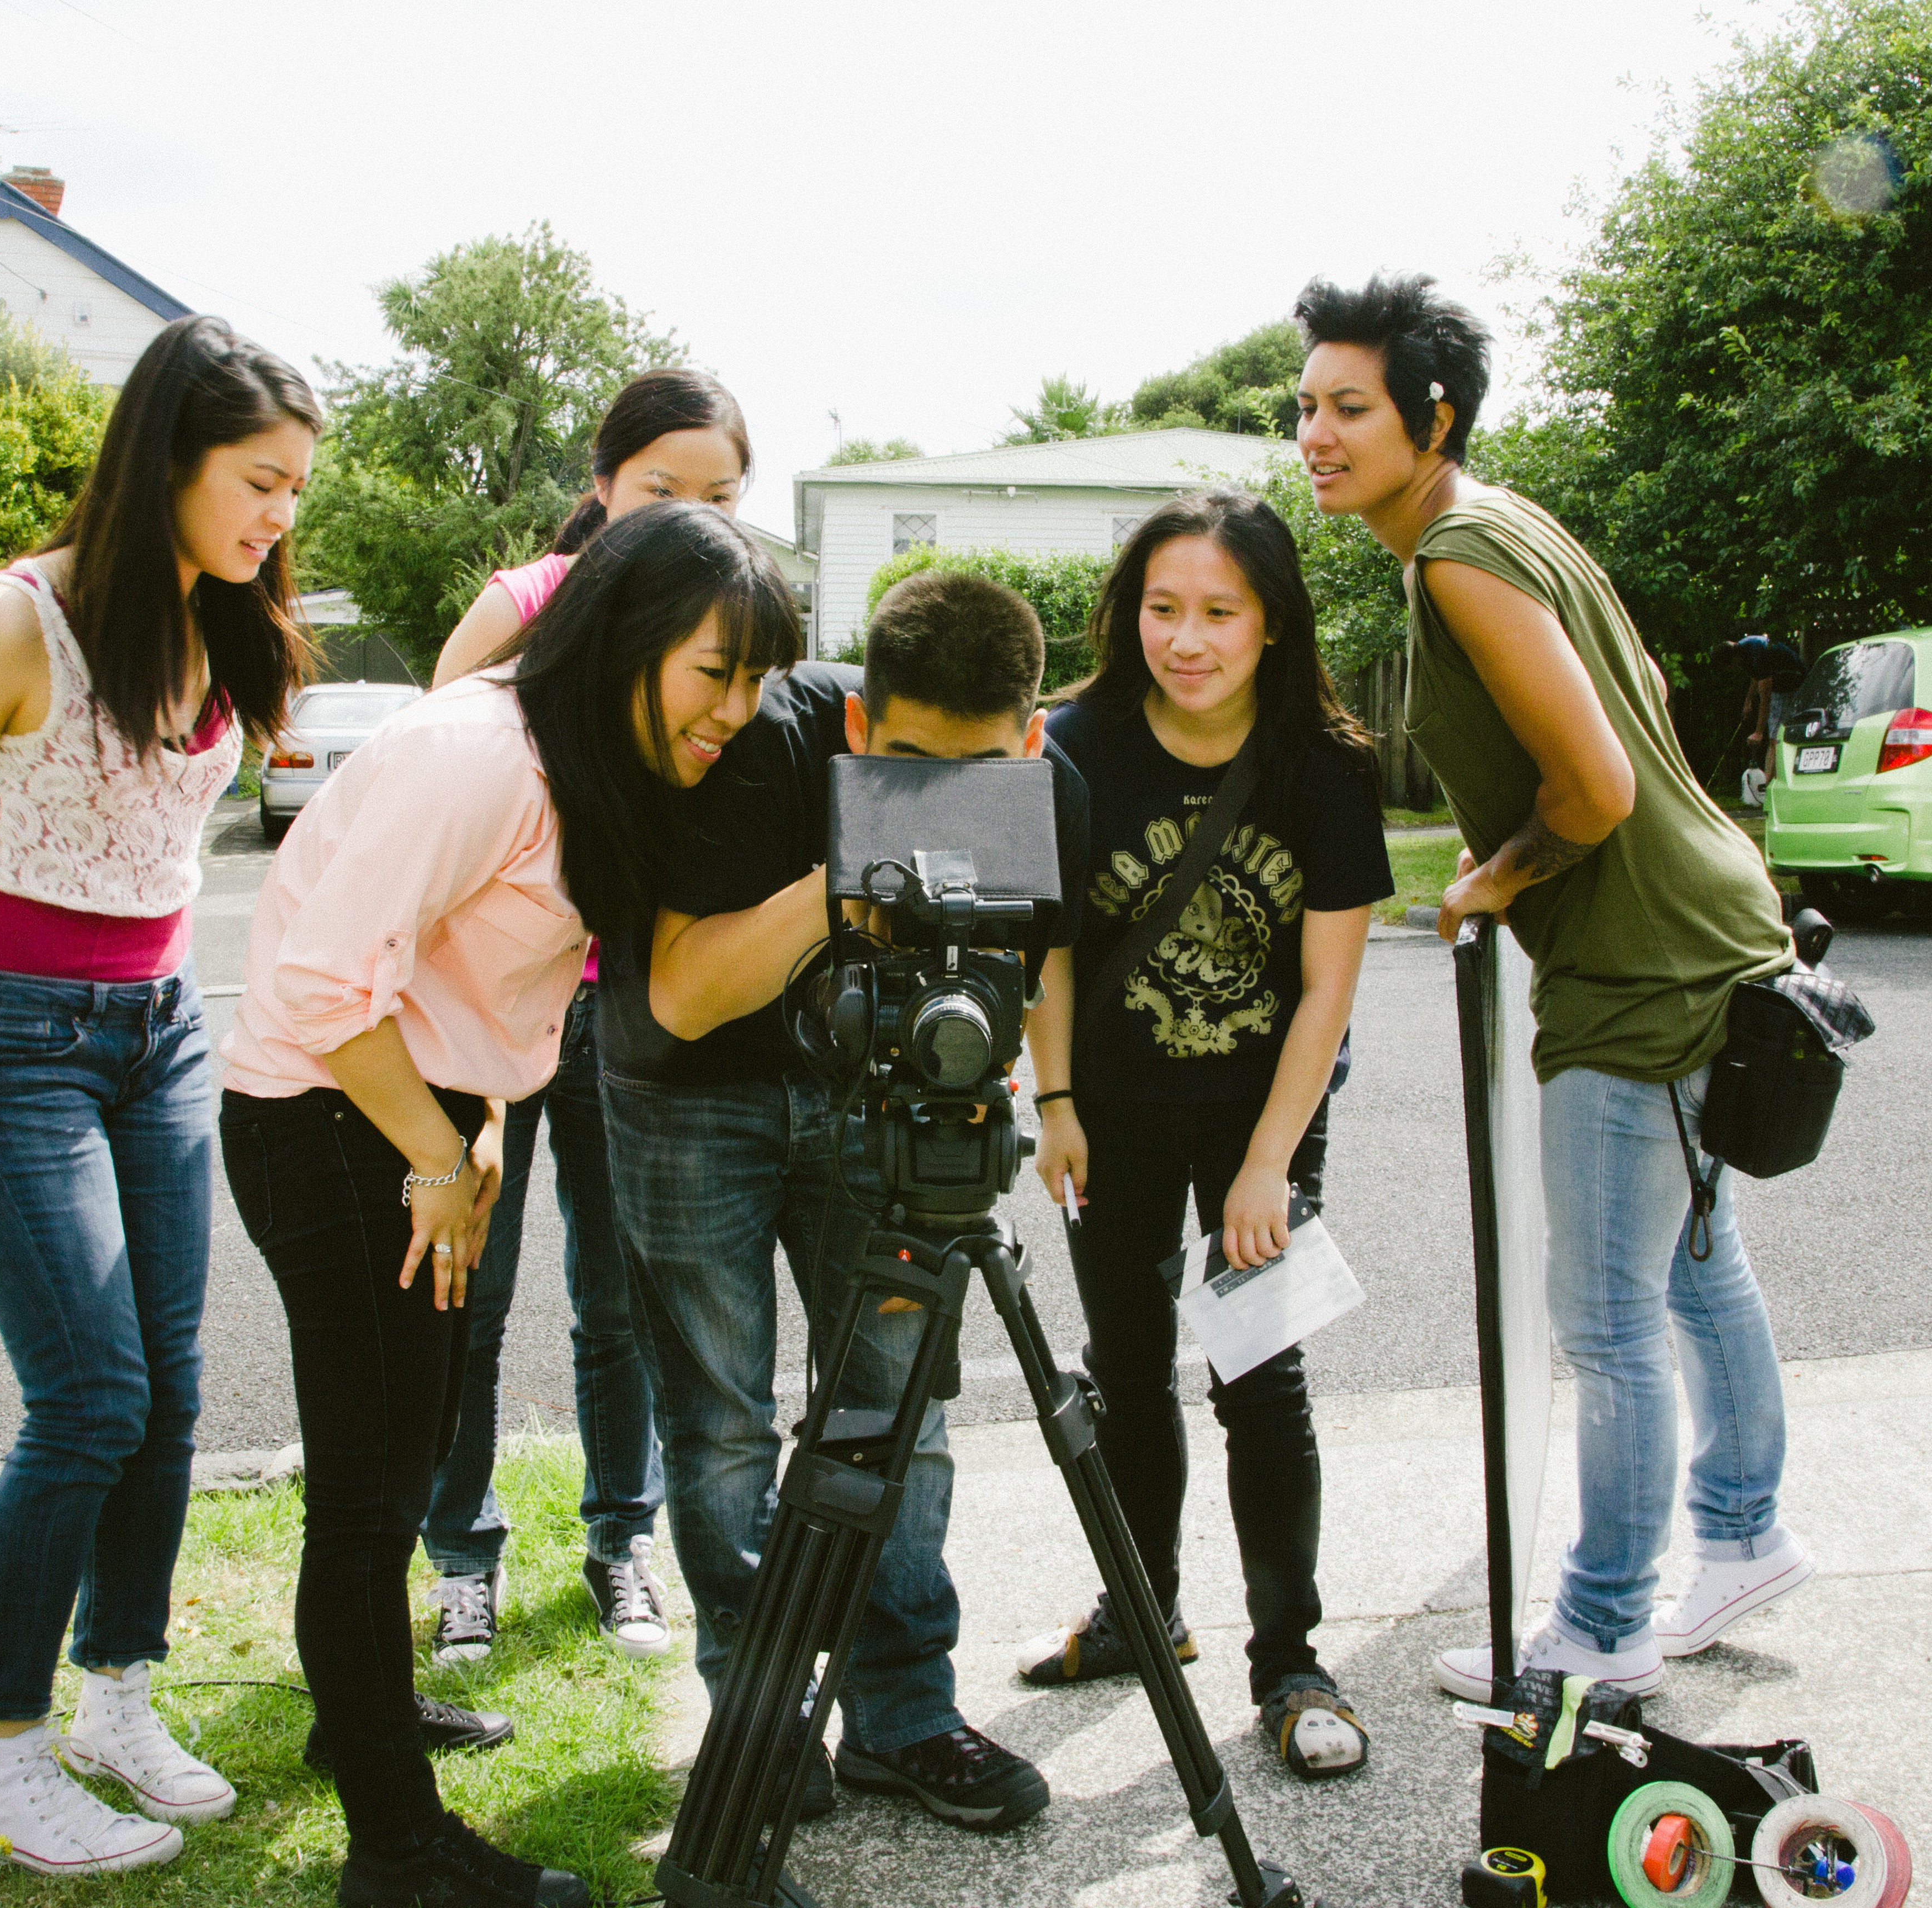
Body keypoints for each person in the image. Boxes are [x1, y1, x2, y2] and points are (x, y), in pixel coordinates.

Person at [218, 502, 798, 1908]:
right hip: (332, 1121)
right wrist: (436, 1150)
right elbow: (316, 986)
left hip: (412, 1112)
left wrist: (475, 1121)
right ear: (626, 639)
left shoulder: (585, 753)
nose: (733, 709)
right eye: (711, 671)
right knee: (366, 1498)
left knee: (394, 1466)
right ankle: (398, 1853)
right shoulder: (474, 754)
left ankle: (374, 1751)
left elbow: (480, 980)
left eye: (754, 680)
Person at [1291, 272, 1807, 1700]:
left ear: (1431, 417)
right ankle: (1749, 1533)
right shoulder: (1502, 523)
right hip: (1710, 920)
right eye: (1309, 408)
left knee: (1611, 1323)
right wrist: (1511, 827)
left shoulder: (1457, 550)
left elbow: (1596, 779)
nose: (1317, 435)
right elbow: (1626, 679)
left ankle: (1602, 1630)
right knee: (1700, 1268)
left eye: (1351, 409)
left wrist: (1495, 876)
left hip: (1640, 966)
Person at [0, 315, 317, 1877]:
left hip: (162, 1026)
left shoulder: (223, 621)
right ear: (167, 459)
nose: (278, 516)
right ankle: (1, 1757)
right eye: (259, 480)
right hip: (11, 1039)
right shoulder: (15, 621)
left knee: (173, 1390)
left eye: (295, 489)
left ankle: (120, 1697)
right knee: (93, 1399)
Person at [609, 569, 1088, 1834]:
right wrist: (839, 882)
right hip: (688, 1093)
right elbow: (678, 995)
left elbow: (1006, 994)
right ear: (864, 721)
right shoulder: (760, 750)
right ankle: (762, 1724)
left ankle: (901, 1712)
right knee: (720, 1429)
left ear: (1028, 739)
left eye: (975, 769)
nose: (943, 798)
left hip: (878, 1098)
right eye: (910, 765)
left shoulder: (1042, 794)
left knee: (898, 1403)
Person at [1017, 491, 1390, 1780]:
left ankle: (1287, 1656)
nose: (1185, 637)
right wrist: (1051, 1100)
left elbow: (1327, 988)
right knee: (1122, 1369)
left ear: (1271, 624)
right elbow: (1050, 945)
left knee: (1258, 1374)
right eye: (1161, 608)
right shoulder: (1069, 746)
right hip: (1107, 1116)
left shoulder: (1324, 764)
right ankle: (1142, 1604)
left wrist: (1267, 1163)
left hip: (1260, 1116)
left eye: (1216, 612)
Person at [418, 369, 751, 1670]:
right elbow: (433, 790)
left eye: (717, 493)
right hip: (493, 1010)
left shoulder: (723, 615)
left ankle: (623, 1542)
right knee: (473, 1294)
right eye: (659, 487)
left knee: (617, 1301)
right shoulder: (525, 605)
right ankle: (460, 1555)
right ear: (603, 482)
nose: (684, 513)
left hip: (630, 1015)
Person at [1726, 633, 1804, 801]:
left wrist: (1759, 732)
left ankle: (1770, 788)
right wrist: (1748, 700)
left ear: (1733, 659)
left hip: (1793, 683)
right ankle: (1770, 785)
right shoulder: (1743, 649)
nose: (1731, 670)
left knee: (1776, 739)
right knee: (1774, 739)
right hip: (1780, 685)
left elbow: (1766, 698)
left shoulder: (1758, 653)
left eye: (1729, 666)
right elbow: (1757, 676)